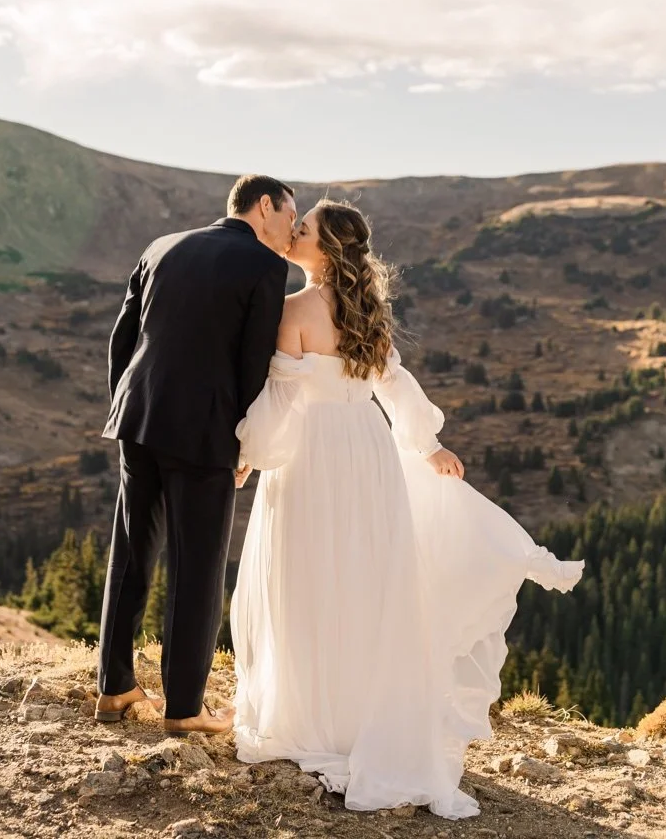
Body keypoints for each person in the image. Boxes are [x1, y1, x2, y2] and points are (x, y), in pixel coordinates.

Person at [230, 199, 584, 818]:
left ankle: (313, 719)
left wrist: (248, 453)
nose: (294, 235)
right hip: (368, 456)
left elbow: (280, 401)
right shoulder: (368, 314)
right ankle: (360, 716)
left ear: (327, 249)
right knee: (365, 585)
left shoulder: (293, 311)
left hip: (312, 459)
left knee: (306, 581)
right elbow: (396, 387)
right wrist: (429, 445)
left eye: (304, 229)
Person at [96, 174, 295, 737]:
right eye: (288, 216)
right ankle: (184, 708)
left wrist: (125, 406)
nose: (289, 230)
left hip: (139, 419)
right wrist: (247, 441)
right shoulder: (263, 267)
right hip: (206, 433)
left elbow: (123, 337)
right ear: (264, 207)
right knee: (196, 568)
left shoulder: (162, 246)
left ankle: (114, 689)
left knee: (131, 553)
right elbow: (254, 364)